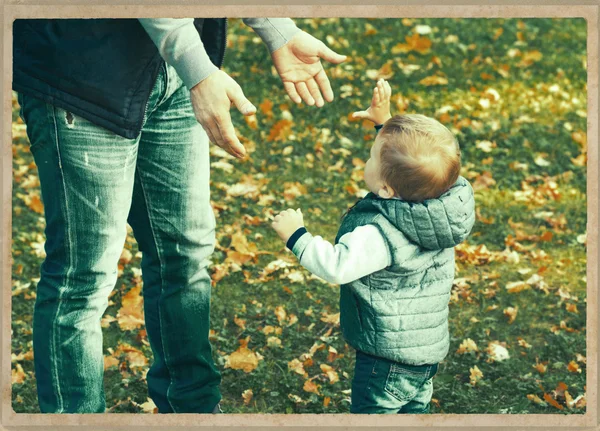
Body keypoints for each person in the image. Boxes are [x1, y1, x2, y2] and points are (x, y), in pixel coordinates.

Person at [13, 17, 346, 414]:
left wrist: (275, 27)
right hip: (83, 67)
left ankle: (193, 412)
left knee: (185, 254)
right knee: (84, 278)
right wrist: (199, 71)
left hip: (175, 69)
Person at [271, 79, 476, 414]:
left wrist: (297, 236)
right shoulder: (438, 211)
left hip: (387, 358)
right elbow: (407, 166)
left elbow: (338, 265)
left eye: (370, 157)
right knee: (413, 411)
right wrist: (385, 122)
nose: (367, 159)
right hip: (423, 350)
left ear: (384, 188)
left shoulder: (380, 233)